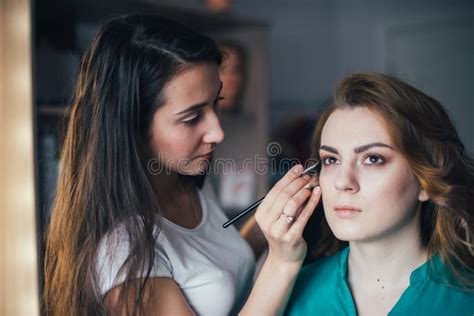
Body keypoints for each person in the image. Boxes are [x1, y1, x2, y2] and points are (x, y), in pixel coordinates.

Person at [43, 14, 321, 315]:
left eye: (216, 103)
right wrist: (282, 262)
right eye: (191, 118)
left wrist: (275, 213)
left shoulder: (186, 181)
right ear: (131, 128)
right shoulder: (122, 252)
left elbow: (211, 269)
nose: (217, 132)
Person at [283, 73, 474, 315]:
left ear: (425, 181)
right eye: (331, 160)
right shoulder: (289, 293)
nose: (343, 182)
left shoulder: (466, 299)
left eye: (373, 159)